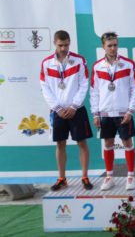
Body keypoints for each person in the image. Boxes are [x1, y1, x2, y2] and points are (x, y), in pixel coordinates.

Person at [40, 30, 93, 191]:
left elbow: (84, 84)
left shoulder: (79, 60)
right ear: (54, 43)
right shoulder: (47, 63)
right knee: (60, 144)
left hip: (77, 109)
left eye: (66, 45)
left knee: (81, 143)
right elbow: (45, 87)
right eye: (60, 45)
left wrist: (74, 106)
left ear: (70, 42)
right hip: (58, 112)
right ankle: (62, 178)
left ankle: (85, 176)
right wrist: (57, 108)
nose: (64, 48)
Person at [90, 32, 135, 191]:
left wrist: (130, 111)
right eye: (109, 45)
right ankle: (109, 177)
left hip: (123, 112)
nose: (113, 48)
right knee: (108, 143)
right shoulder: (97, 66)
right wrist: (95, 113)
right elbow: (94, 92)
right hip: (105, 113)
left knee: (127, 143)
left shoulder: (128, 64)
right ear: (103, 47)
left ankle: (130, 176)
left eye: (115, 45)